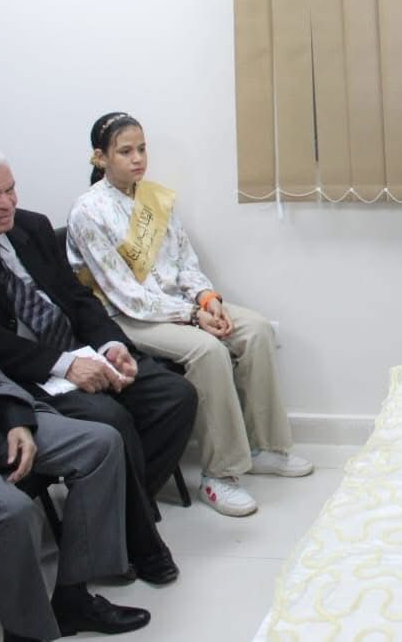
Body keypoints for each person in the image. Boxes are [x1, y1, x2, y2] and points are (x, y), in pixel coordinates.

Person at [0, 137, 192, 581]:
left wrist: (110, 345)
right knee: (111, 420)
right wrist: (64, 366)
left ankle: (113, 514)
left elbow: (76, 297)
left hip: (77, 350)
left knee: (175, 396)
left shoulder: (31, 226)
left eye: (10, 189)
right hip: (20, 376)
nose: (6, 204)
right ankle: (139, 544)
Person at [66, 112, 310, 517]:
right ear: (100, 157)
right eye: (125, 151)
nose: (137, 158)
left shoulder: (153, 198)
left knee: (256, 330)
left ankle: (265, 447)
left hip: (181, 306)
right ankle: (220, 473)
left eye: (142, 149)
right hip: (130, 318)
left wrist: (207, 299)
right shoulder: (87, 212)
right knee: (207, 351)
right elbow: (126, 295)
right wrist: (194, 317)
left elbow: (184, 261)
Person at [0, 244, 149, 640]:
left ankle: (73, 599)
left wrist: (14, 415)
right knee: (14, 511)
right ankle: (28, 633)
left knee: (101, 443)